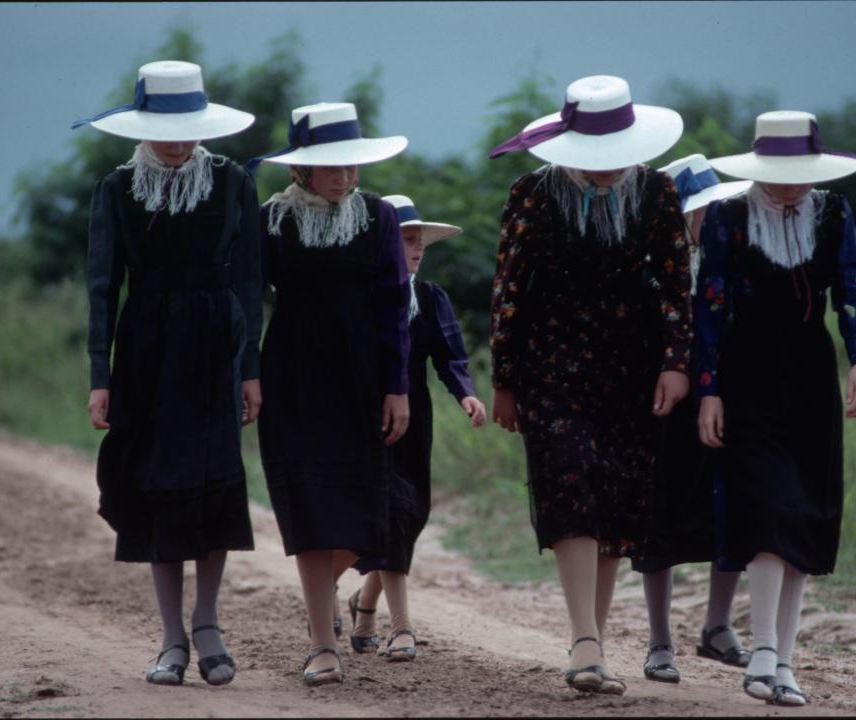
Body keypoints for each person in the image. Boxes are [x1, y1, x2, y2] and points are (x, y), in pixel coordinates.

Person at [488, 74, 691, 695]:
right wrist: (503, 379)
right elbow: (508, 290)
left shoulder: (657, 193)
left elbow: (677, 282)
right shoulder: (533, 193)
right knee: (570, 486)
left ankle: (591, 648)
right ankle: (585, 641)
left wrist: (676, 362)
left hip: (631, 369)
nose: (604, 171)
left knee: (614, 503)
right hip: (549, 367)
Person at [697, 111, 856, 706]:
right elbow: (710, 304)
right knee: (766, 507)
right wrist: (708, 388)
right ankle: (760, 651)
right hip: (746, 376)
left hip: (812, 378)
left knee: (805, 514)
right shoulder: (729, 217)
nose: (791, 186)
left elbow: (853, 289)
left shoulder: (834, 213)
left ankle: (783, 662)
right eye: (780, 174)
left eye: (801, 174)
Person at [76, 60, 260, 687]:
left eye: (188, 127)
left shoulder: (234, 182)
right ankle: (171, 638)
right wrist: (101, 375)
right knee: (157, 485)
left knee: (212, 483)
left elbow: (248, 281)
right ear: (142, 126)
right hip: (147, 349)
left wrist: (250, 370)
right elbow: (102, 287)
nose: (178, 141)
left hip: (216, 346)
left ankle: (207, 624)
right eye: (165, 128)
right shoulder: (116, 188)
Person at [246, 102, 411, 687]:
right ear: (301, 171)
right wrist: (248, 372)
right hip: (292, 375)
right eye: (329, 166)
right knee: (309, 508)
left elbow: (395, 308)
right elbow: (246, 300)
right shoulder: (271, 220)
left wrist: (398, 387)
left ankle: (330, 591)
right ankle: (321, 644)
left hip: (362, 379)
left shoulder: (380, 217)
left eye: (351, 164)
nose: (344, 176)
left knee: (372, 515)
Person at [344, 194, 487, 662]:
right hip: (366, 417)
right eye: (407, 240)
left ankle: (364, 603)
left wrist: (466, 391)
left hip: (416, 416)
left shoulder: (430, 298)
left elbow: (450, 355)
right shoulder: (359, 296)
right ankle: (401, 627)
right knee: (390, 512)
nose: (417, 249)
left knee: (412, 514)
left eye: (420, 242)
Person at [632, 154, 754, 683]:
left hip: (727, 399)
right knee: (658, 516)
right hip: (665, 405)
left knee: (731, 508)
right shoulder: (652, 270)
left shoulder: (737, 263)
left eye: (718, 206)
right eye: (702, 209)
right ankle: (660, 640)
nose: (713, 217)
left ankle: (718, 626)